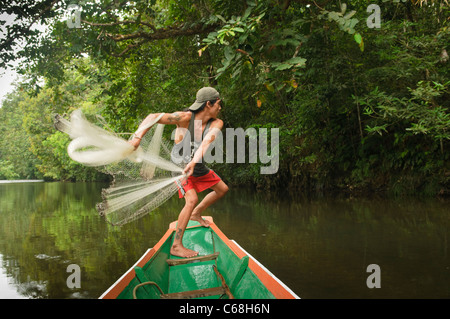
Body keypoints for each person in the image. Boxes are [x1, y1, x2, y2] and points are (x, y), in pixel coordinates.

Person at [129, 87, 229, 258]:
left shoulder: (216, 123)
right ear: (208, 104)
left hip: (197, 166)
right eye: (218, 103)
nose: (220, 107)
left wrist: (194, 161)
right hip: (180, 169)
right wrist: (137, 138)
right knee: (191, 199)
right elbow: (153, 117)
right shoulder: (184, 118)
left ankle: (197, 214)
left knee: (222, 190)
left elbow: (205, 143)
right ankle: (176, 245)